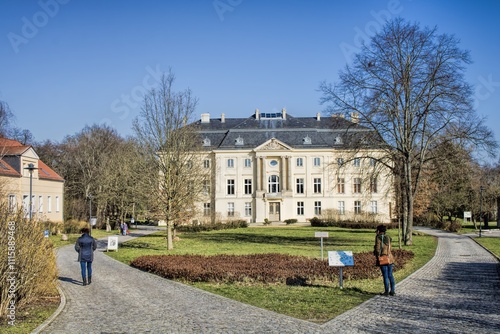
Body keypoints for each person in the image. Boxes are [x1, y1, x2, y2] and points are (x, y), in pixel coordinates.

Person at [374, 225, 396, 296]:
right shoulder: (388, 237)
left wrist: (376, 254)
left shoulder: (378, 238)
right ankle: (392, 291)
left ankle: (386, 291)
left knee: (385, 275)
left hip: (383, 258)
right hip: (390, 258)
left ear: (379, 231)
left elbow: (377, 249)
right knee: (390, 275)